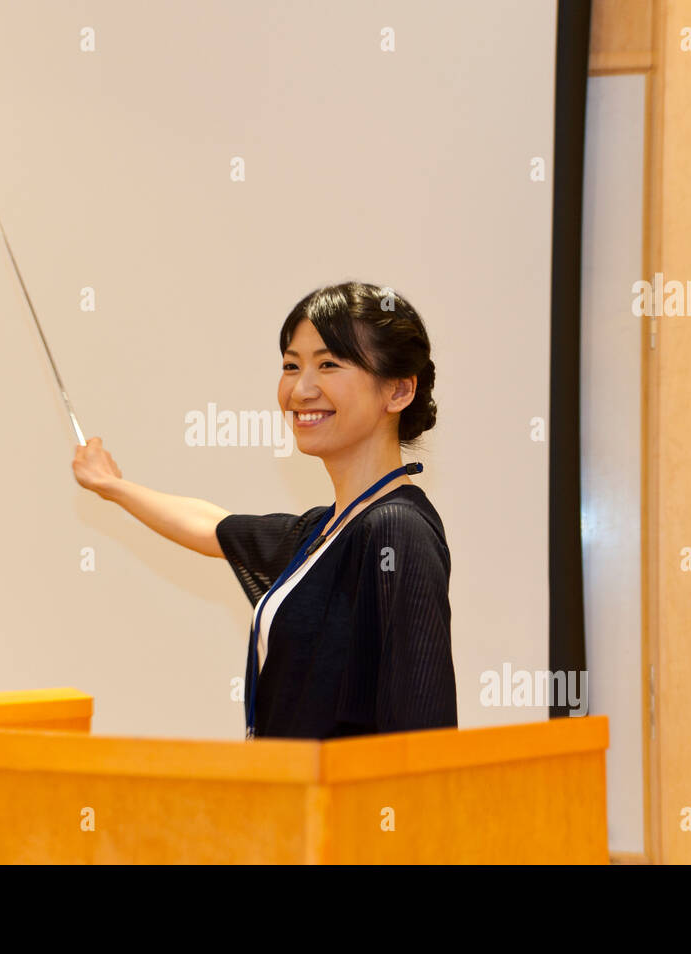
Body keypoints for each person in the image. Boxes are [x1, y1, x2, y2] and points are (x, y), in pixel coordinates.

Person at [72, 281, 457, 740]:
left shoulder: (396, 529)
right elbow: (212, 526)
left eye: (329, 364)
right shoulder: (325, 530)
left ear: (398, 391)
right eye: (291, 366)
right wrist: (113, 487)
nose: (300, 389)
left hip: (346, 810)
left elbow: (423, 727)